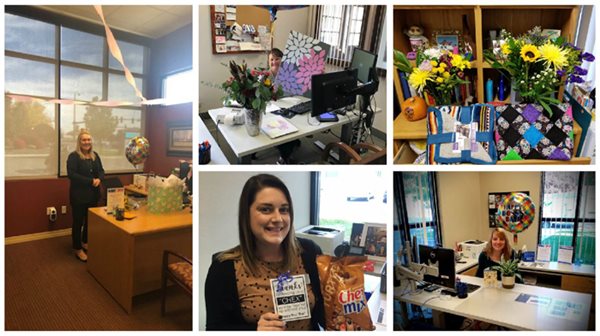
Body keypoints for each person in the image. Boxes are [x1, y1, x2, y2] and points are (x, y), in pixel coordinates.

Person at [205, 174, 325, 330]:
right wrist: (255, 331)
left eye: (284, 210)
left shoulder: (309, 252)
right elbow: (215, 329)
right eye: (266, 209)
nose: (278, 218)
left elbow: (324, 313)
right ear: (246, 215)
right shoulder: (224, 267)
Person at [67, 129, 105, 262]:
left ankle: (85, 242)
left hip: (93, 195)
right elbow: (71, 174)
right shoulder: (73, 156)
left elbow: (101, 171)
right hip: (79, 196)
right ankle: (77, 248)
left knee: (89, 222)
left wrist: (99, 178)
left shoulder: (95, 155)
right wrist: (90, 181)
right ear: (79, 142)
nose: (87, 142)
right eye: (84, 140)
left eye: (88, 139)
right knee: (78, 223)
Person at [269, 48, 301, 164]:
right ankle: (284, 158)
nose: (274, 62)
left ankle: (288, 148)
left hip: (290, 107)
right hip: (273, 111)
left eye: (277, 59)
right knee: (285, 129)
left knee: (297, 124)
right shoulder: (265, 77)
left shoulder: (290, 74)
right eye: (271, 59)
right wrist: (271, 92)